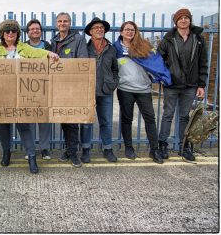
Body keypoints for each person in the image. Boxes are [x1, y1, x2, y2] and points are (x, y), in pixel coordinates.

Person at [0, 19, 59, 174]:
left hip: (21, 94)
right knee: (4, 125)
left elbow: (37, 53)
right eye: (7, 31)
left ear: (17, 33)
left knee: (24, 126)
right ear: (2, 34)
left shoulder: (24, 47)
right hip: (2, 93)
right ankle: (6, 153)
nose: (10, 33)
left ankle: (32, 156)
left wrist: (49, 53)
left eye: (13, 31)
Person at [157, 8, 208, 161]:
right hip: (171, 85)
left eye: (186, 18)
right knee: (167, 115)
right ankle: (163, 145)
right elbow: (159, 61)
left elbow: (203, 63)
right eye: (181, 18)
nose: (184, 20)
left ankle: (183, 146)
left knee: (185, 116)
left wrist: (201, 85)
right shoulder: (168, 39)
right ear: (176, 21)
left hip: (190, 85)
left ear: (190, 20)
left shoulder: (198, 39)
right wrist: (163, 77)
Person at [113, 21, 164, 164]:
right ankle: (129, 148)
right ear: (121, 32)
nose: (129, 32)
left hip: (144, 89)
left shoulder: (145, 46)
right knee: (127, 119)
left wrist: (157, 76)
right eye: (127, 30)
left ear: (136, 32)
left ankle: (154, 149)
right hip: (125, 89)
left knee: (150, 119)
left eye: (132, 30)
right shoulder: (115, 48)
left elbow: (156, 63)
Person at [50, 12, 88, 167]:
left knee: (72, 121)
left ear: (70, 23)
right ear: (56, 24)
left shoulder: (78, 39)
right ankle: (69, 149)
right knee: (63, 120)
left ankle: (73, 154)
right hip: (57, 86)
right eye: (60, 21)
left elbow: (82, 61)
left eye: (65, 21)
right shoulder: (54, 41)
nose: (62, 23)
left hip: (72, 86)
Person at [80, 17, 119, 163]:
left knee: (106, 122)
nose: (99, 29)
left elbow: (115, 69)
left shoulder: (111, 48)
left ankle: (108, 149)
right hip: (87, 90)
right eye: (96, 27)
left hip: (106, 90)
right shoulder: (85, 47)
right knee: (86, 122)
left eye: (101, 27)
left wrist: (113, 82)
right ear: (90, 32)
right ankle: (85, 150)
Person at [24, 19, 52, 160]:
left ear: (41, 31)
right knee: (28, 118)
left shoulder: (48, 45)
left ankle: (44, 148)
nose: (35, 31)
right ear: (28, 32)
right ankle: (30, 149)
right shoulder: (23, 47)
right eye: (32, 29)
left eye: (37, 29)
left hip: (44, 87)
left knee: (44, 119)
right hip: (26, 87)